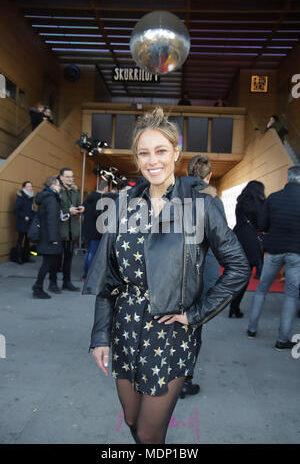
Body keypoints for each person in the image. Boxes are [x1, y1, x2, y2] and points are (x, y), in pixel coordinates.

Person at [83, 107, 250, 445]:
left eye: (161, 150)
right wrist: (100, 336)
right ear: (137, 158)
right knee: (132, 419)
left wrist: (197, 314)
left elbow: (238, 267)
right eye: (144, 153)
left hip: (171, 330)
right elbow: (108, 279)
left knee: (148, 432)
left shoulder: (199, 204)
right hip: (125, 325)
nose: (152, 160)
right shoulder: (123, 203)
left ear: (176, 152)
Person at [181, 155, 227, 398]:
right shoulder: (211, 200)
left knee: (168, 325)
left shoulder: (172, 194)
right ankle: (185, 380)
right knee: (192, 327)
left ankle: (164, 374)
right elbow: (221, 244)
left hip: (172, 272)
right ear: (208, 176)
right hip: (200, 273)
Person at [247, 166, 300, 351]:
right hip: (296, 253)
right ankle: (282, 340)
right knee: (291, 295)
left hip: (273, 251)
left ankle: (252, 329)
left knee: (261, 289)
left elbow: (262, 224)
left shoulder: (274, 197)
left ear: (288, 178)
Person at [230, 181, 266, 318]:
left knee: (237, 272)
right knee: (246, 275)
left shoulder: (240, 202)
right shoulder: (260, 204)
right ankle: (235, 305)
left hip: (238, 238)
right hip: (252, 242)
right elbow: (262, 224)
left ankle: (232, 303)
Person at [49, 167, 84, 293]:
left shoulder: (75, 191)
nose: (70, 179)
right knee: (56, 259)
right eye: (68, 176)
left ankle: (66, 282)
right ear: (61, 177)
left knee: (68, 258)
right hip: (59, 230)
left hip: (71, 230)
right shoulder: (57, 191)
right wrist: (67, 211)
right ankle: (52, 283)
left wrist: (80, 209)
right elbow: (52, 210)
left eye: (72, 176)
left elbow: (77, 204)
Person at [32, 176, 62, 299]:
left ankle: (42, 285)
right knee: (47, 263)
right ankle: (37, 287)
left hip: (45, 235)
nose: (60, 187)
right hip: (49, 237)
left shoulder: (46, 198)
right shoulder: (51, 200)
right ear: (53, 185)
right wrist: (54, 239)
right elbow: (51, 221)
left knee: (50, 262)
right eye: (59, 185)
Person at [82, 180, 108, 281]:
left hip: (87, 229)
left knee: (89, 252)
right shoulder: (100, 199)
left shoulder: (89, 198)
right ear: (106, 188)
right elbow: (100, 215)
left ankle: (86, 273)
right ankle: (90, 274)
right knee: (93, 253)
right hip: (96, 230)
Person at [13, 181, 35, 264]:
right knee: (20, 240)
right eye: (28, 186)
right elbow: (15, 210)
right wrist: (24, 216)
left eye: (31, 186)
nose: (30, 188)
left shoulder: (30, 197)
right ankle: (19, 259)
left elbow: (31, 210)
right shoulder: (21, 197)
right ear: (24, 187)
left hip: (29, 222)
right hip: (22, 222)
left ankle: (26, 258)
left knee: (27, 240)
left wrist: (33, 215)